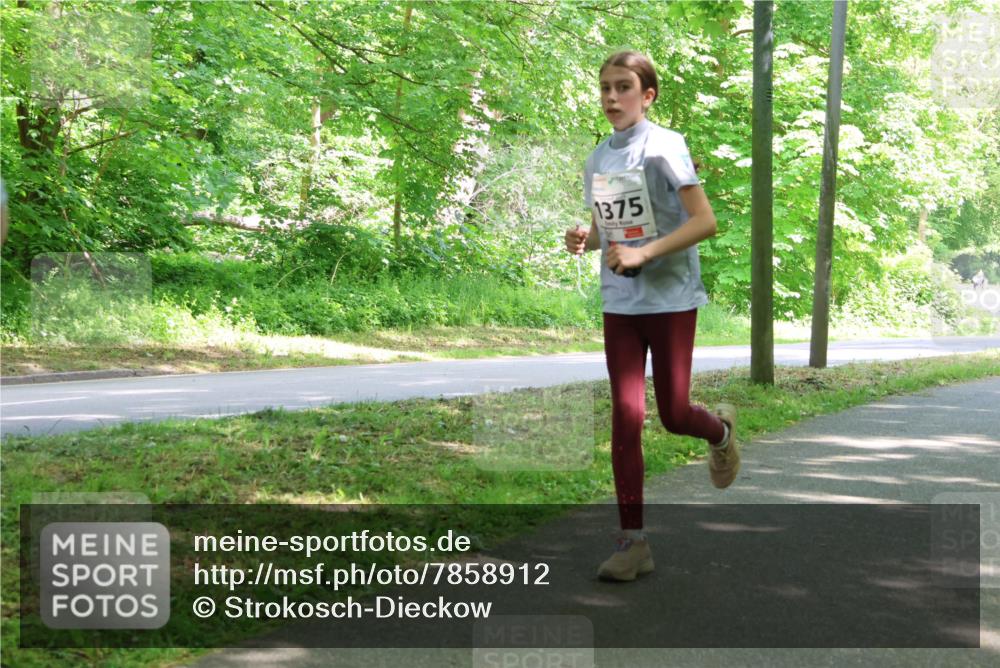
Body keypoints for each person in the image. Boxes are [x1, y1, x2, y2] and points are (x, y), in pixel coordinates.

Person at [564, 51, 739, 582]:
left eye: (623, 87)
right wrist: (585, 237)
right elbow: (611, 228)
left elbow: (704, 221)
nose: (612, 98)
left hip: (670, 298)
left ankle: (721, 433)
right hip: (620, 300)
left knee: (674, 414)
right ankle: (632, 543)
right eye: (604, 89)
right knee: (626, 416)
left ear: (648, 95)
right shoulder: (599, 156)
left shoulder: (665, 146)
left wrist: (647, 254)